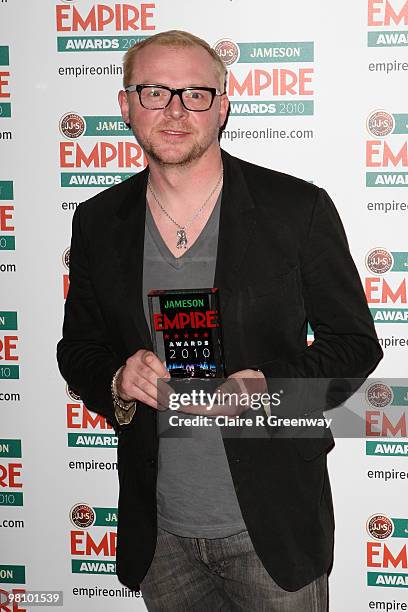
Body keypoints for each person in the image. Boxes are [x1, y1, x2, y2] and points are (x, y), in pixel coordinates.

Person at [57, 30, 383, 611]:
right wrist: (116, 380)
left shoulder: (296, 209)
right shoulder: (98, 221)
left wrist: (273, 390)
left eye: (196, 93)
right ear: (126, 105)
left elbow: (355, 345)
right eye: (155, 92)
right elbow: (77, 346)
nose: (176, 110)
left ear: (223, 105)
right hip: (160, 535)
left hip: (273, 529)